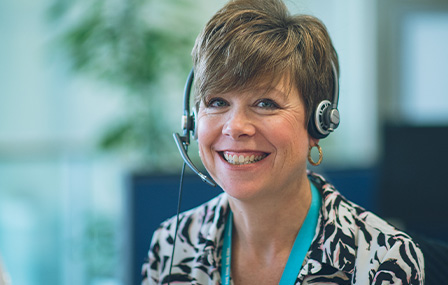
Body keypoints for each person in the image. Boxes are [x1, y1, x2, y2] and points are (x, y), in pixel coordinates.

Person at [142, 0, 425, 284]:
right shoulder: (172, 246)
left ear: (318, 123)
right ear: (192, 120)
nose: (235, 127)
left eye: (266, 103)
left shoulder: (383, 259)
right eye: (217, 102)